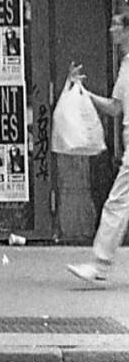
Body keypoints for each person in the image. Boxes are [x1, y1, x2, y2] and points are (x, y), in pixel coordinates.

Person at [66, 29, 129, 283]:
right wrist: (84, 93)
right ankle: (99, 265)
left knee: (117, 202)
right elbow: (115, 108)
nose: (111, 29)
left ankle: (100, 265)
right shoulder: (125, 65)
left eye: (117, 24)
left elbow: (114, 109)